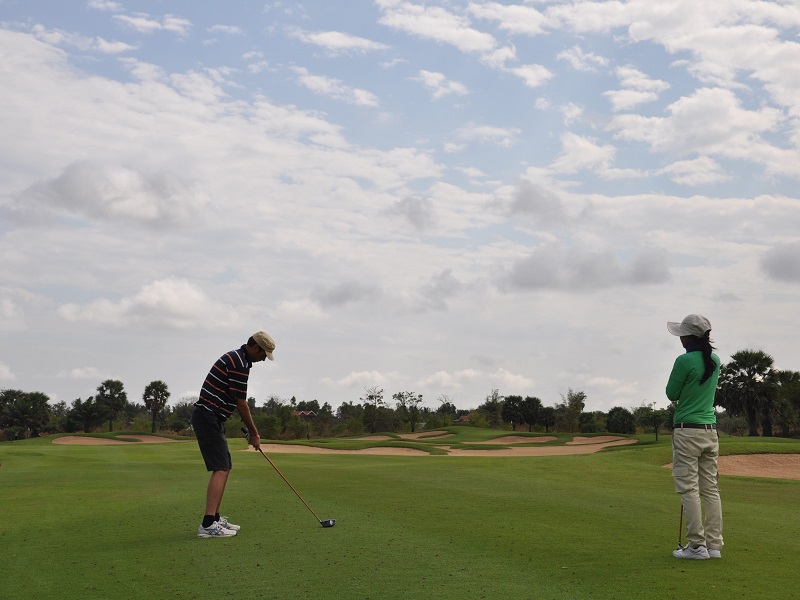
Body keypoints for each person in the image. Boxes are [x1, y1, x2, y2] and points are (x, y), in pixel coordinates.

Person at [192, 330, 275, 538]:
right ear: (255, 348)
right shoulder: (239, 363)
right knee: (220, 468)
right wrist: (255, 433)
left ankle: (215, 518)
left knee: (225, 466)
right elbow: (241, 404)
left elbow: (231, 398)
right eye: (263, 354)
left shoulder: (240, 359)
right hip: (208, 416)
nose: (263, 359)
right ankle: (208, 524)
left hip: (212, 417)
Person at [666, 314, 723, 559]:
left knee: (688, 489)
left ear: (688, 337)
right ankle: (714, 546)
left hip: (687, 430)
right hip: (710, 432)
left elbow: (671, 393)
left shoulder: (684, 360)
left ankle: (697, 547)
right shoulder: (715, 360)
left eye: (682, 335)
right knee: (710, 488)